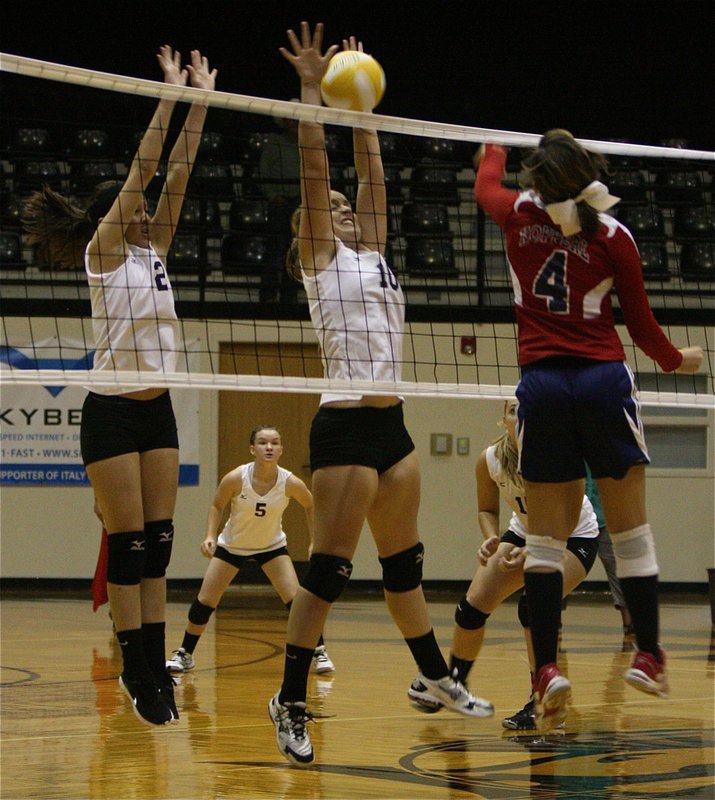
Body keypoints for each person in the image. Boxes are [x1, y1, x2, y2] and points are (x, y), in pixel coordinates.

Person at [268, 21, 493, 768]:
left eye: (343, 205)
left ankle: (433, 674)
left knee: (405, 568)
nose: (338, 207)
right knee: (328, 573)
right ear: (309, 228)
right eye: (326, 207)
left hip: (393, 428)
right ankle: (290, 699)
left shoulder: (373, 251)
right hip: (343, 430)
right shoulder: (319, 260)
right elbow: (312, 171)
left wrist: (362, 112)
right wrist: (311, 90)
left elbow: (374, 181)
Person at [473, 130, 703, 730]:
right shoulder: (614, 237)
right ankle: (648, 656)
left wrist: (491, 149)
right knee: (632, 533)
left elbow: (485, 187)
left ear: (537, 182)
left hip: (542, 387)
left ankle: (546, 669)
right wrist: (683, 361)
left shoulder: (518, 216)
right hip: (603, 382)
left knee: (544, 544)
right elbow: (645, 331)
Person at [23, 46, 217, 727]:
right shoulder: (104, 252)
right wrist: (167, 96)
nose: (148, 211)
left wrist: (201, 100)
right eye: (136, 207)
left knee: (159, 545)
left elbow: (180, 172)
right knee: (129, 545)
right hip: (109, 411)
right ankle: (134, 672)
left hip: (156, 410)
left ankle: (154, 670)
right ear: (118, 212)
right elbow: (145, 170)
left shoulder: (152, 248)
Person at [449, 398, 599, 731]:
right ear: (503, 419)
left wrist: (533, 551)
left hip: (574, 535)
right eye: (513, 409)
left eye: (530, 407)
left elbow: (567, 518)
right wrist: (490, 537)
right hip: (524, 531)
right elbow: (487, 509)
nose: (521, 415)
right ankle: (452, 686)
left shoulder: (561, 456)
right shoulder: (490, 459)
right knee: (471, 609)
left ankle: (542, 702)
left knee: (534, 603)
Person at [166, 424, 334, 675]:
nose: (269, 447)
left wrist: (314, 541)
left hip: (272, 546)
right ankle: (185, 653)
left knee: (297, 602)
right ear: (252, 448)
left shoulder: (290, 482)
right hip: (232, 546)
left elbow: (311, 505)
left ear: (281, 450)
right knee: (205, 601)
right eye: (263, 442)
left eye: (275, 443)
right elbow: (216, 505)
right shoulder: (236, 478)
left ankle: (319, 652)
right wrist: (210, 536)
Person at [255, 107, 301, 303]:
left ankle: (289, 297)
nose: (294, 122)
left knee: (296, 251)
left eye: (297, 119)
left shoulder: (307, 144)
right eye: (290, 119)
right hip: (279, 204)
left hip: (300, 206)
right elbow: (263, 171)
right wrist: (273, 195)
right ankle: (267, 296)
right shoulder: (274, 143)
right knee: (275, 250)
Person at [585, 465, 634, 648]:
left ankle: (629, 623)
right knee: (563, 569)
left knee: (617, 570)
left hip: (602, 518)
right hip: (582, 520)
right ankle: (553, 620)